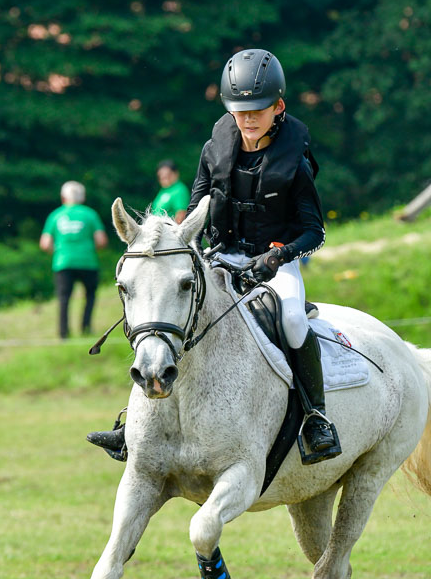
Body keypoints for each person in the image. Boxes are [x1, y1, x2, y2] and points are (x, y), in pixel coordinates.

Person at [89, 48, 340, 463]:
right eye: (239, 111)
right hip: (220, 257)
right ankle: (132, 426)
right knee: (168, 314)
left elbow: (315, 232)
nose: (248, 120)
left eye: (257, 111)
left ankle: (316, 417)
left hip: (274, 264)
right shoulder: (215, 147)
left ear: (278, 107)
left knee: (294, 321)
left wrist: (279, 256)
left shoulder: (295, 161)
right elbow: (197, 205)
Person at [40, 181, 108, 339]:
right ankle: (86, 328)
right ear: (82, 197)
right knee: (90, 295)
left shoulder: (56, 215)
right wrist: (89, 249)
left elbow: (45, 243)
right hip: (88, 261)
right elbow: (101, 241)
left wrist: (57, 252)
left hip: (63, 262)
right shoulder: (90, 214)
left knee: (63, 298)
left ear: (63, 197)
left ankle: (63, 333)